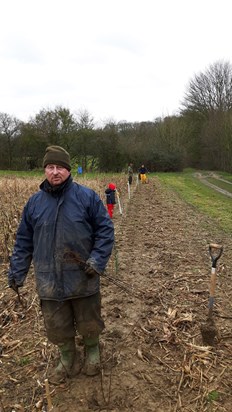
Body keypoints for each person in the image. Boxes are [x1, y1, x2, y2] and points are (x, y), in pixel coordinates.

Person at [8, 145, 114, 383]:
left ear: (68, 170)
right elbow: (24, 241)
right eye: (50, 167)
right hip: (49, 279)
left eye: (60, 168)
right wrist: (17, 272)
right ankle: (67, 357)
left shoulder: (86, 197)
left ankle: (93, 351)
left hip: (83, 275)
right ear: (45, 169)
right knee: (57, 325)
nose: (55, 172)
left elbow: (105, 231)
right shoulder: (34, 203)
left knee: (89, 320)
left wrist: (97, 260)